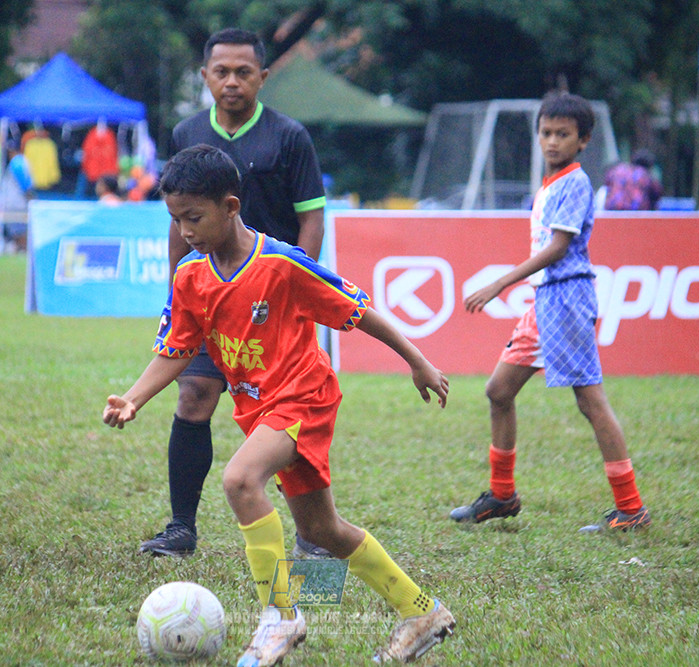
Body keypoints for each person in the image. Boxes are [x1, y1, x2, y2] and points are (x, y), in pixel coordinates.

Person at [103, 145, 455, 666]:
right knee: (321, 531)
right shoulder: (190, 278)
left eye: (194, 217)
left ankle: (280, 616)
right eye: (176, 220)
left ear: (231, 205)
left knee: (240, 480)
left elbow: (359, 311)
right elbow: (176, 350)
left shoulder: (284, 265)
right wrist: (133, 398)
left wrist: (417, 360)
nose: (186, 231)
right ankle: (422, 611)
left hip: (304, 397)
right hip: (259, 410)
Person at [139, 27, 327, 558]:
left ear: (263, 77)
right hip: (209, 302)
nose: (232, 81)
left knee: (286, 423)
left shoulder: (289, 137)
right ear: (204, 77)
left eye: (244, 72)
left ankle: (315, 536)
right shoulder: (187, 133)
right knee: (194, 396)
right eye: (221, 71)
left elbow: (311, 218)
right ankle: (181, 528)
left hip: (273, 308)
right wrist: (178, 291)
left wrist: (303, 286)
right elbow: (179, 220)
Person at [450, 92, 650, 533]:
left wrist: (500, 282)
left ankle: (631, 509)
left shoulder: (575, 183)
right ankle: (502, 496)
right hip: (546, 302)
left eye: (563, 134)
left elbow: (558, 248)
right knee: (499, 391)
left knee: (590, 401)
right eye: (546, 133)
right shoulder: (550, 183)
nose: (552, 141)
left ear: (583, 141)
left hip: (566, 300)